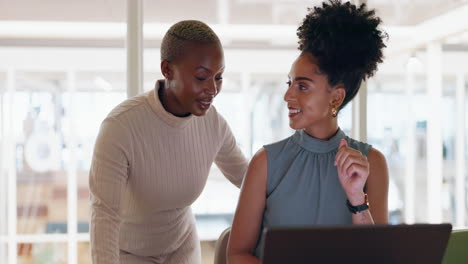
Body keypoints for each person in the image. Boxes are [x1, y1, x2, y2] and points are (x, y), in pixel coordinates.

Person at [227, 1, 389, 263]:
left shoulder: (372, 164)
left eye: (302, 87)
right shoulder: (265, 163)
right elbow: (236, 254)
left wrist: (357, 199)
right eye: (289, 83)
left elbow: (378, 258)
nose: (287, 95)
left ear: (336, 97)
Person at [89, 20, 249, 264]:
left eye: (218, 77)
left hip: (182, 248)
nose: (213, 89)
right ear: (167, 70)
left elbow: (250, 180)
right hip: (129, 254)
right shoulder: (120, 127)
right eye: (202, 77)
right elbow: (104, 216)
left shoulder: (213, 124)